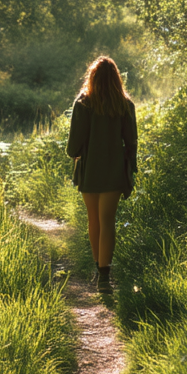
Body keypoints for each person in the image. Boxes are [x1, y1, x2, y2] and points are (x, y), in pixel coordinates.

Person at [66, 55, 137, 295]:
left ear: (92, 77)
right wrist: (130, 168)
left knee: (93, 219)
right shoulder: (125, 104)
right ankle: (105, 277)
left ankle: (99, 270)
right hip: (114, 170)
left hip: (90, 170)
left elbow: (73, 145)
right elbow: (131, 142)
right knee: (108, 221)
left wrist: (76, 152)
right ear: (116, 78)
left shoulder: (83, 103)